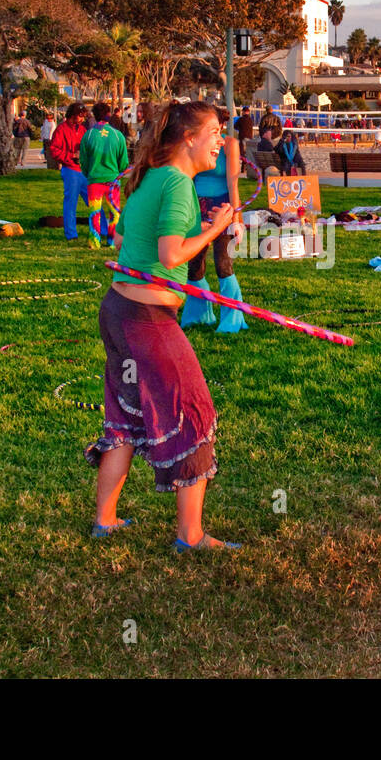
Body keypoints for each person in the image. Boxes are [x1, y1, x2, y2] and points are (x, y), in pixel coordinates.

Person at [85, 100, 239, 551]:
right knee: (194, 412)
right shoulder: (176, 183)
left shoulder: (151, 177)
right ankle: (190, 536)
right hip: (147, 319)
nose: (221, 142)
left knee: (127, 416)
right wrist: (216, 230)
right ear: (189, 138)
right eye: (214, 132)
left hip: (118, 310)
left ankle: (105, 520)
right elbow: (172, 256)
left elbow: (122, 238)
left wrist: (200, 226)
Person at [181, 110, 246, 334]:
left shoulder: (230, 144)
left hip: (222, 207)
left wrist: (236, 218)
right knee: (194, 263)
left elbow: (233, 183)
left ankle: (232, 318)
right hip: (197, 205)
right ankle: (199, 314)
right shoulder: (195, 144)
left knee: (223, 263)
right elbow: (187, 177)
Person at [79, 102, 130, 249]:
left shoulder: (88, 135)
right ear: (108, 114)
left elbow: (83, 160)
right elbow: (124, 162)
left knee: (95, 212)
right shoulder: (117, 135)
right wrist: (117, 172)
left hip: (94, 181)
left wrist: (89, 173)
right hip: (113, 181)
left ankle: (94, 241)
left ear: (94, 115)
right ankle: (112, 241)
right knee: (114, 213)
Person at [49, 102, 89, 239]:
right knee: (71, 203)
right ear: (73, 115)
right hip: (70, 169)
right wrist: (70, 156)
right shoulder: (61, 129)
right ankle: (71, 234)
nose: (82, 119)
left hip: (83, 170)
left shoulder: (82, 129)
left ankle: (102, 230)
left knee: (94, 201)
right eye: (80, 116)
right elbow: (54, 150)